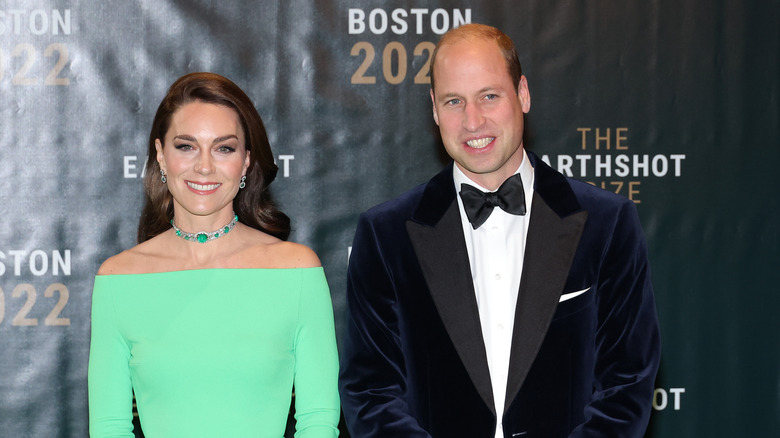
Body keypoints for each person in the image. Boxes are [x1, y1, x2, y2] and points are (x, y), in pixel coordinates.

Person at [338, 23, 661, 438]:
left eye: (489, 96)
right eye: (455, 101)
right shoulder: (385, 236)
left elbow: (627, 384)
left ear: (522, 95)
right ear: (434, 108)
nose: (473, 121)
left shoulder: (607, 223)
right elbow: (370, 392)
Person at [88, 72, 340, 437]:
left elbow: (318, 420)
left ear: (246, 161)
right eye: (186, 146)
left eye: (224, 148)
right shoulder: (118, 280)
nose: (204, 166)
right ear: (160, 155)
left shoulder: (297, 270)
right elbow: (109, 427)